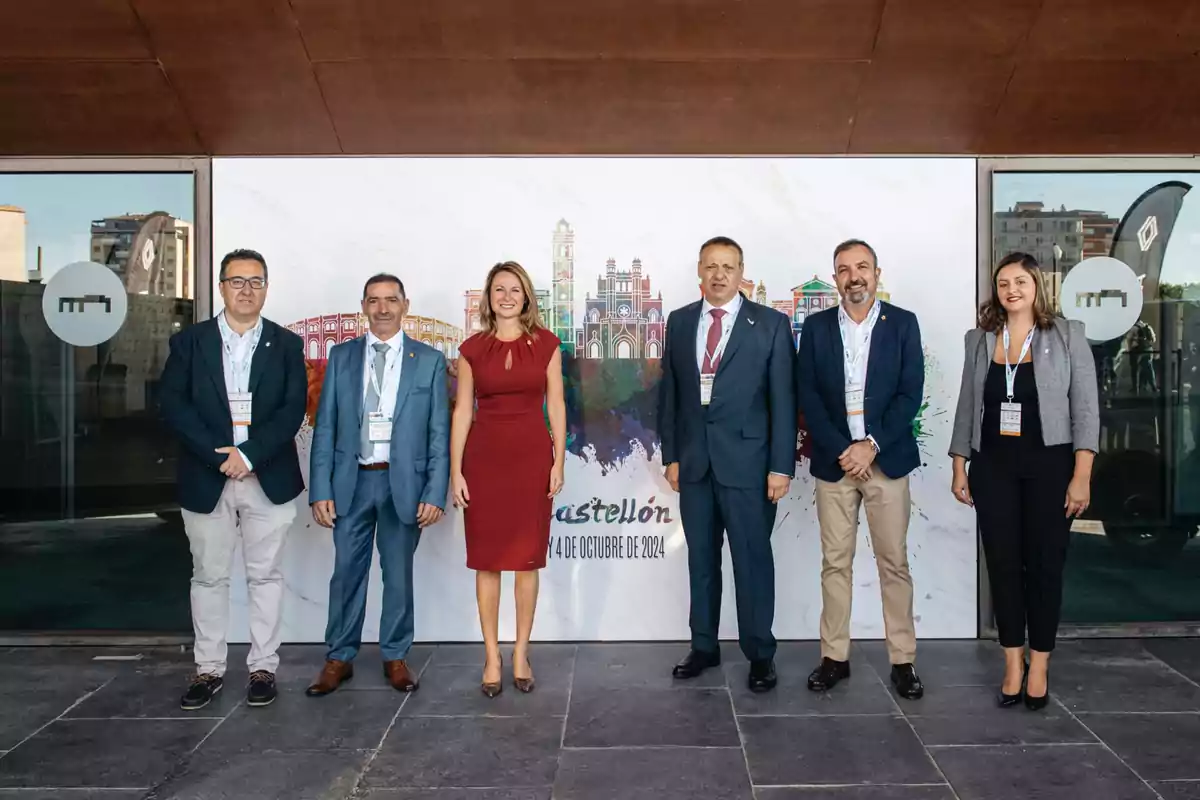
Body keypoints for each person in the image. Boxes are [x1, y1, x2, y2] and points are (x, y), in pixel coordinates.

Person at [949, 252, 1098, 710]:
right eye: (1003, 282)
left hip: (1051, 467)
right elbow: (966, 406)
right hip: (992, 467)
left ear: (1036, 285)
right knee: (1003, 566)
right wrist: (960, 464)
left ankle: (1041, 663)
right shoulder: (980, 340)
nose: (1011, 289)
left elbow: (1087, 411)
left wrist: (1082, 476)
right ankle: (1012, 662)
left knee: (1045, 566)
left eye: (1020, 281)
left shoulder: (1067, 335)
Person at [160, 248, 307, 710]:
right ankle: (208, 670)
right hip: (208, 476)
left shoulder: (285, 344)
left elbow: (292, 409)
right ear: (221, 286)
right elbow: (174, 405)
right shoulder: (190, 343)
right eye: (237, 281)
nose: (247, 289)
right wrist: (219, 456)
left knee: (266, 577)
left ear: (267, 287)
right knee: (208, 577)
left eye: (256, 281)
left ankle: (263, 667)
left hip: (268, 476)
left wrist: (249, 455)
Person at [658, 236, 796, 693]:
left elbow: (783, 400)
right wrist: (672, 455)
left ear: (741, 273)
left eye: (728, 266)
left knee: (752, 561)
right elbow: (671, 397)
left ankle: (760, 653)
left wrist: (781, 466)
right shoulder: (678, 323)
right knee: (701, 559)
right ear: (699, 271)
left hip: (751, 466)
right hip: (695, 464)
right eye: (711, 266)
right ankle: (704, 646)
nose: (719, 275)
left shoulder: (771, 325)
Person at [305, 273, 449, 696]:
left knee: (398, 576)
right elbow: (324, 427)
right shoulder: (343, 357)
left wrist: (434, 491)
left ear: (406, 304)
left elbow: (438, 433)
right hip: (352, 482)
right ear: (363, 306)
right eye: (374, 300)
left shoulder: (428, 361)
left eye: (391, 300)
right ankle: (339, 657)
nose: (383, 308)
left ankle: (396, 656)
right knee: (346, 574)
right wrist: (321, 489)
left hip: (403, 484)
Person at [797, 239, 925, 700]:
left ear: (877, 274)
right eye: (844, 269)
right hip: (835, 466)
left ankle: (903, 661)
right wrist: (843, 450)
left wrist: (870, 446)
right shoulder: (815, 329)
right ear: (835, 279)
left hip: (886, 462)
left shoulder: (903, 324)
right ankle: (834, 657)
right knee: (836, 564)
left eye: (862, 267)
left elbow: (911, 393)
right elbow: (807, 395)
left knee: (894, 563)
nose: (854, 276)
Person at [450, 261, 566, 697]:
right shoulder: (471, 350)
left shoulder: (548, 346)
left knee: (526, 561)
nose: (506, 296)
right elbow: (463, 412)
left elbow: (556, 406)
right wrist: (456, 469)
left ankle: (520, 652)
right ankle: (491, 656)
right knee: (487, 561)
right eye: (498, 289)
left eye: (514, 289)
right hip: (484, 461)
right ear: (488, 297)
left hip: (532, 458)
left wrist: (558, 462)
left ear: (526, 296)